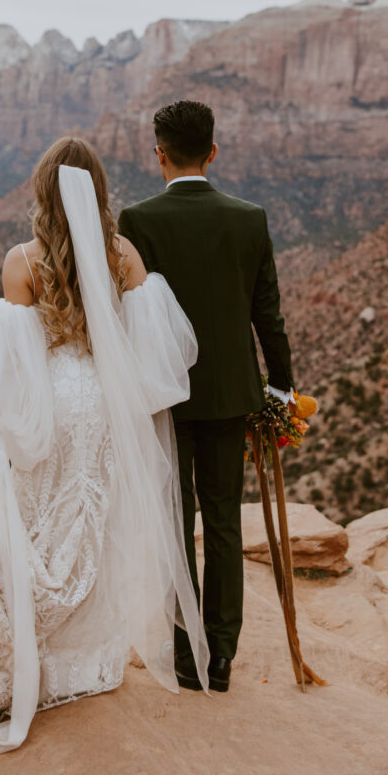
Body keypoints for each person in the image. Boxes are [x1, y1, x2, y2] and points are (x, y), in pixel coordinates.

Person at [0, 136, 210, 756]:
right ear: (99, 192)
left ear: (40, 193)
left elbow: (9, 363)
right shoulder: (122, 256)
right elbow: (157, 354)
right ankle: (77, 659)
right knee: (85, 522)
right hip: (103, 404)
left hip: (50, 403)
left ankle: (19, 651)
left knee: (32, 521)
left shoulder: (23, 261)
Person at [117, 100, 295, 694]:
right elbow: (267, 315)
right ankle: (222, 656)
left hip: (164, 399)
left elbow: (126, 317)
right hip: (231, 395)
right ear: (213, 152)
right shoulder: (251, 218)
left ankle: (186, 653)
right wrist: (281, 390)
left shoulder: (138, 221)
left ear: (159, 154)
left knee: (173, 522)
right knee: (222, 523)